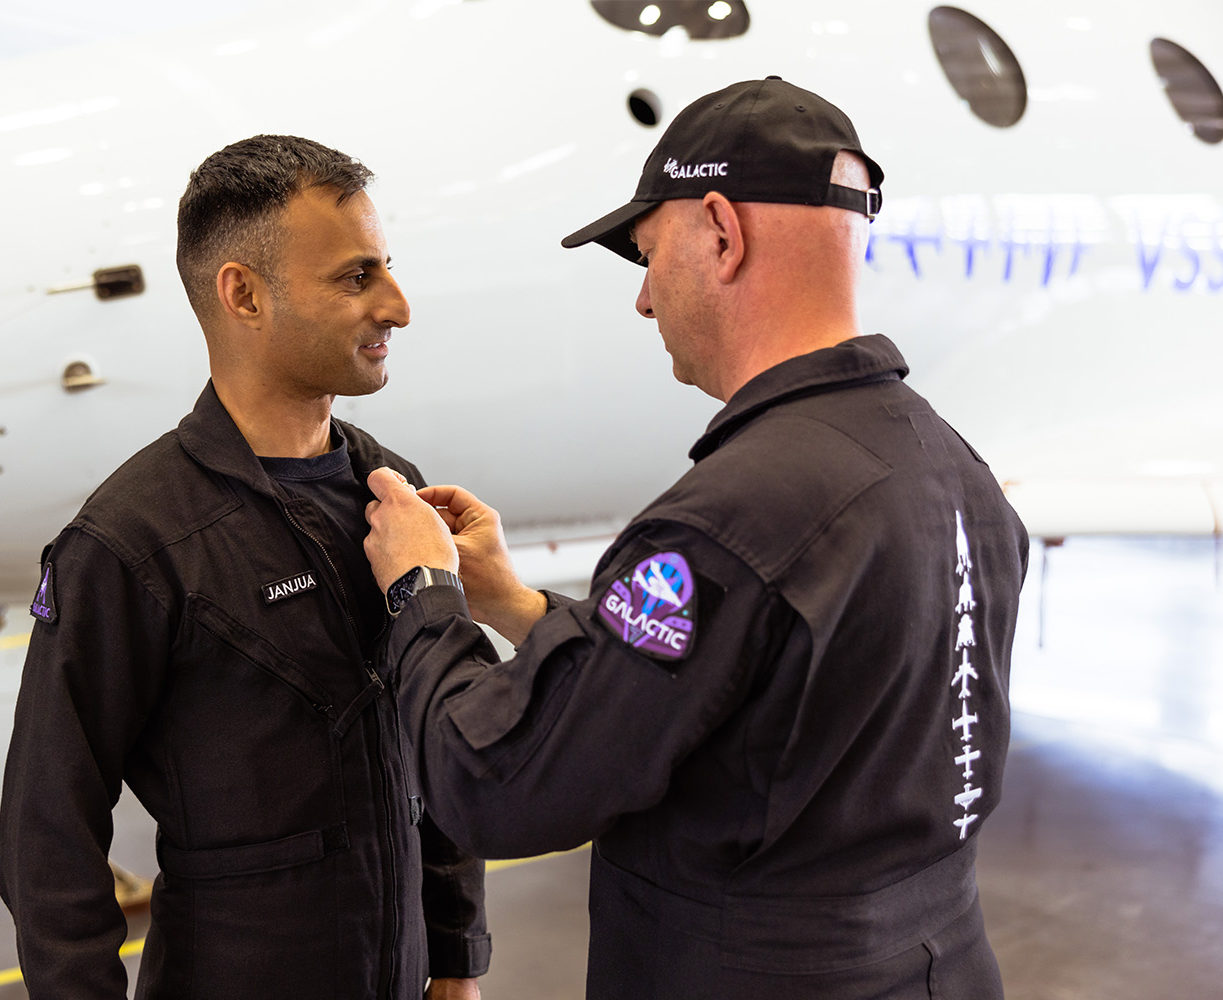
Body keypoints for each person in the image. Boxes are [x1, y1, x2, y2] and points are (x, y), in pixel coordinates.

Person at [362, 79, 1029, 999]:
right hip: (937, 967)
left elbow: (499, 787)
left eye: (647, 255)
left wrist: (421, 596)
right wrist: (517, 607)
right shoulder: (948, 465)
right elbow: (741, 687)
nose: (642, 300)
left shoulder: (724, 521)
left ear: (721, 231)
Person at [0, 135, 488, 1000]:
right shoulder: (133, 541)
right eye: (355, 277)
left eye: (386, 269)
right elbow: (47, 833)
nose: (399, 308)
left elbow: (435, 737)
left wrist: (453, 959)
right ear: (243, 293)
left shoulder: (395, 497)